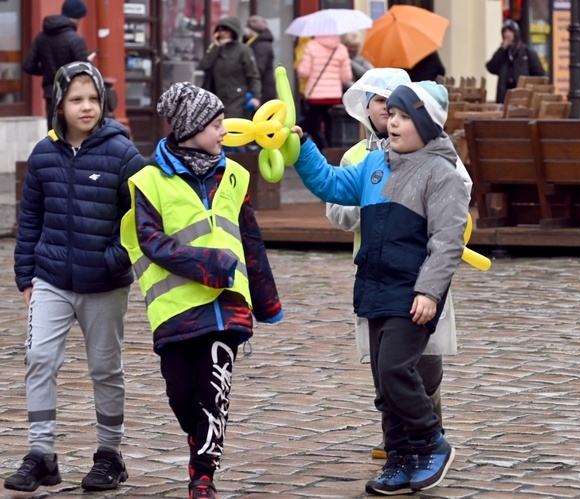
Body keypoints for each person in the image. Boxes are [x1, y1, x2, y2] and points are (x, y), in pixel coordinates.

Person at [291, 80, 470, 495]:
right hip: (373, 288)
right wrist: (302, 149)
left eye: (405, 117)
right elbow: (331, 184)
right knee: (382, 385)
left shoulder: (442, 174)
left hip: (413, 294)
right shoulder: (376, 165)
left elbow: (447, 242)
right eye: (392, 114)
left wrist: (428, 292)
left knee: (395, 370)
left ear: (426, 124)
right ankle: (398, 459)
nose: (393, 123)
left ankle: (432, 444)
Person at [120, 81, 284, 499]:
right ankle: (199, 442)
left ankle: (203, 474)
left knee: (215, 391)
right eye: (215, 124)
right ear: (190, 129)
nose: (224, 130)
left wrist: (266, 300)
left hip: (228, 307)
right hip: (175, 310)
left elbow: (251, 239)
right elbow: (150, 241)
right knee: (182, 394)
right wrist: (209, 266)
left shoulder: (236, 175)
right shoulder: (147, 181)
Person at [7, 61, 144, 493]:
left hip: (104, 283)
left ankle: (109, 455)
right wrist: (26, 277)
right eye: (76, 99)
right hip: (50, 278)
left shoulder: (123, 155)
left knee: (105, 368)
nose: (86, 107)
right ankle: (41, 454)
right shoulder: (43, 155)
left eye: (93, 98)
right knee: (39, 359)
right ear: (59, 104)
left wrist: (114, 259)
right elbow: (29, 218)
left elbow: (144, 219)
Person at [22, 0, 95, 130]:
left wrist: (47, 70)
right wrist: (89, 61)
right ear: (78, 18)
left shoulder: (41, 37)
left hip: (51, 92)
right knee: (73, 133)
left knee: (54, 133)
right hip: (72, 93)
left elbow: (28, 65)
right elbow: (83, 70)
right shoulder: (75, 39)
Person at [296, 34, 352, 149]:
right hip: (334, 96)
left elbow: (304, 72)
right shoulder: (341, 48)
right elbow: (346, 77)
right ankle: (329, 150)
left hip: (315, 96)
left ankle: (320, 147)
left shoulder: (311, 46)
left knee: (313, 124)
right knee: (330, 125)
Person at [199, 16, 261, 119]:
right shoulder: (215, 48)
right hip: (218, 98)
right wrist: (216, 47)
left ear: (233, 31)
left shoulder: (243, 50)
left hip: (238, 99)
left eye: (226, 29)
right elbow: (204, 66)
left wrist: (255, 97)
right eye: (220, 29)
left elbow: (253, 75)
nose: (222, 32)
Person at [485, 19, 545, 103]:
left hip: (522, 100)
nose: (507, 34)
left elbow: (540, 75)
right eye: (504, 31)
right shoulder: (503, 54)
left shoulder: (527, 53)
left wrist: (530, 89)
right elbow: (490, 67)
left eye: (510, 31)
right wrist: (502, 50)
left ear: (515, 33)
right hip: (504, 99)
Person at [244, 15, 278, 105]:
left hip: (263, 91)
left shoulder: (261, 46)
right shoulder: (258, 44)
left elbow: (258, 68)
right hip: (263, 89)